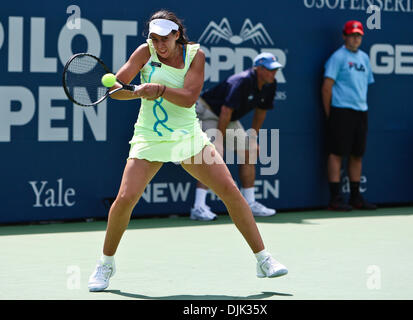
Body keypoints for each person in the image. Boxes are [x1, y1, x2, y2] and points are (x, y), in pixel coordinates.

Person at [87, 10, 288, 292]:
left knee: (230, 190)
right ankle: (106, 264)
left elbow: (189, 98)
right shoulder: (144, 52)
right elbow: (117, 89)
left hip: (186, 137)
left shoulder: (196, 55)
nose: (159, 46)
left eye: (164, 39)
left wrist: (158, 89)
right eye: (154, 39)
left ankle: (263, 259)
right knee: (125, 198)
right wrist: (133, 91)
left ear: (177, 35)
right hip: (149, 137)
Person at [190, 52, 283, 221]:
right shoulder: (243, 80)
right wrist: (218, 138)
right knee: (213, 155)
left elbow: (261, 111)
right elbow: (226, 110)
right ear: (258, 69)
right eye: (269, 70)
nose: (273, 73)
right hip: (208, 112)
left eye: (275, 70)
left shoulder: (271, 84)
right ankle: (198, 206)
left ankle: (250, 203)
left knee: (249, 152)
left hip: (228, 117)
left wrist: (253, 137)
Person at [321, 20, 377, 211]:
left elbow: (365, 85)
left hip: (361, 111)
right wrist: (331, 115)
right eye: (352, 35)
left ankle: (355, 197)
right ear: (344, 36)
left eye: (358, 35)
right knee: (336, 154)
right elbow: (327, 87)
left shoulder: (364, 58)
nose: (355, 38)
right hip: (340, 110)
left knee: (357, 155)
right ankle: (335, 198)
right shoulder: (337, 57)